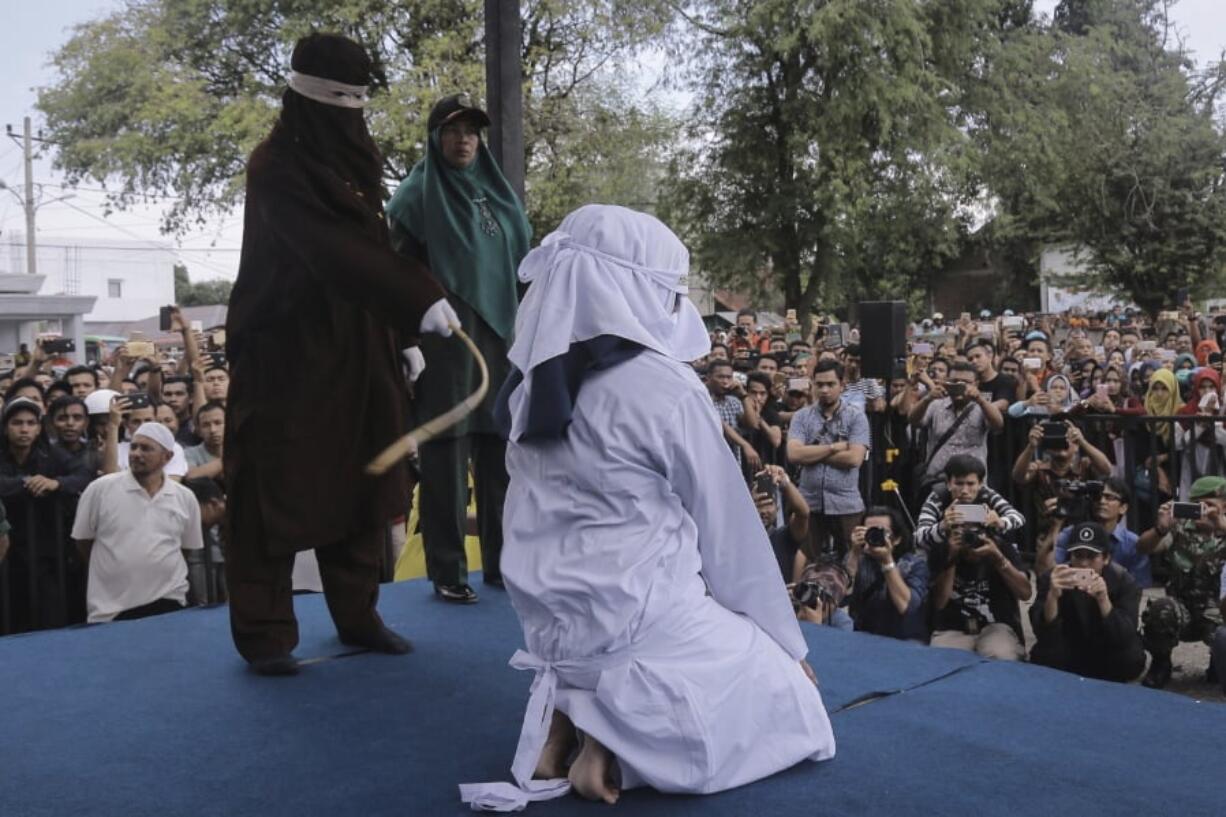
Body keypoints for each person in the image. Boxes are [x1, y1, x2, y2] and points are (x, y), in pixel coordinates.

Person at [466, 205, 833, 811]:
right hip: (633, 621)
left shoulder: (528, 384)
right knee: (788, 700)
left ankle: (563, 720)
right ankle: (612, 750)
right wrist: (787, 648)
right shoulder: (662, 386)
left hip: (549, 622)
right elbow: (730, 536)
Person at [223, 33, 452, 675]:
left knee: (363, 476)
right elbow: (327, 249)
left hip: (359, 344)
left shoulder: (354, 163)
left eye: (359, 101)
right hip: (285, 353)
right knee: (274, 487)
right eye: (338, 101)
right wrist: (416, 298)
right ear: (306, 97)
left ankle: (358, 614)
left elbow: (367, 248)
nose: (349, 114)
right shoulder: (274, 167)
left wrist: (400, 338)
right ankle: (266, 634)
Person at [386, 92, 531, 603]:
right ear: (434, 136)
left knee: (499, 459)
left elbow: (523, 272)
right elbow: (394, 277)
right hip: (446, 348)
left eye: (472, 130)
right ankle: (448, 570)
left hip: (500, 346)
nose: (464, 138)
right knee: (446, 458)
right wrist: (407, 344)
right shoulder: (413, 197)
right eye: (452, 129)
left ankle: (502, 564)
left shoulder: (500, 193)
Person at [72, 422, 204, 622]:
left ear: (167, 457)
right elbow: (83, 541)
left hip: (170, 601)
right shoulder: (100, 489)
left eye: (146, 448)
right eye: (134, 447)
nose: (136, 453)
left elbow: (185, 548)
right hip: (111, 608)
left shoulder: (184, 497)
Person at [922, 455, 1031, 660]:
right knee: (940, 662)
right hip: (952, 628)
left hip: (996, 626)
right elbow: (938, 603)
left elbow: (1025, 593)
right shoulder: (942, 545)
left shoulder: (998, 542)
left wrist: (998, 557)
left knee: (1002, 656)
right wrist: (951, 557)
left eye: (974, 523)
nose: (969, 532)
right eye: (962, 524)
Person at [1136, 476, 1226, 689]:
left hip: (1218, 613)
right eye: (1196, 505)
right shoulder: (1179, 528)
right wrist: (1160, 528)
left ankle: (1219, 661)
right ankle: (1161, 663)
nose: (1202, 511)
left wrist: (1220, 525)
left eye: (1210, 505)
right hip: (1181, 608)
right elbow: (1143, 548)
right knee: (1160, 609)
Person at [1029, 521, 1146, 683]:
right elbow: (1041, 631)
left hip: (1106, 650)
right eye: (1078, 555)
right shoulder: (1053, 578)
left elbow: (1125, 635)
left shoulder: (1123, 581)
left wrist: (1104, 600)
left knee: (1131, 658)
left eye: (1091, 557)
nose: (1084, 563)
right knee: (1044, 656)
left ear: (1106, 558)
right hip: (1069, 648)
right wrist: (1052, 597)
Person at [786, 359, 870, 561]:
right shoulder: (801, 417)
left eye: (830, 384)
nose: (824, 390)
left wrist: (812, 454)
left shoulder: (856, 417)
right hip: (809, 502)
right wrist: (832, 447)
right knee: (805, 558)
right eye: (819, 384)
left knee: (852, 560)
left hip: (846, 501)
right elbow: (794, 455)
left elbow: (854, 458)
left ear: (842, 385)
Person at [909, 360, 1004, 498]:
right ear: (947, 382)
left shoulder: (982, 406)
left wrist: (980, 399)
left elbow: (998, 425)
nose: (959, 385)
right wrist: (927, 398)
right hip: (938, 480)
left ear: (976, 384)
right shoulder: (936, 404)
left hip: (972, 484)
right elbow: (913, 420)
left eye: (965, 382)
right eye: (954, 381)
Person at [844, 506, 929, 641]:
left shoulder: (914, 564)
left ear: (897, 539)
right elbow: (842, 597)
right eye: (870, 531)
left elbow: (907, 608)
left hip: (904, 639)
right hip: (864, 637)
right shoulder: (857, 558)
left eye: (882, 532)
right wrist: (854, 552)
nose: (876, 535)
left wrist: (887, 561)